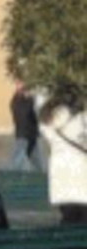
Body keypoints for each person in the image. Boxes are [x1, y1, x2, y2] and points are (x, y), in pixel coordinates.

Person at [38, 94, 87, 225]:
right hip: (82, 176)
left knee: (68, 219)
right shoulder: (81, 120)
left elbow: (42, 120)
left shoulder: (48, 124)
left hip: (61, 179)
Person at [9, 83, 45, 172]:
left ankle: (39, 174)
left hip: (31, 134)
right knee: (18, 156)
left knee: (35, 158)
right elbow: (25, 113)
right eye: (25, 90)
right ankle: (13, 174)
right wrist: (31, 100)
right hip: (23, 134)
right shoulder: (17, 102)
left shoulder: (23, 101)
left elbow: (33, 115)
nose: (28, 92)